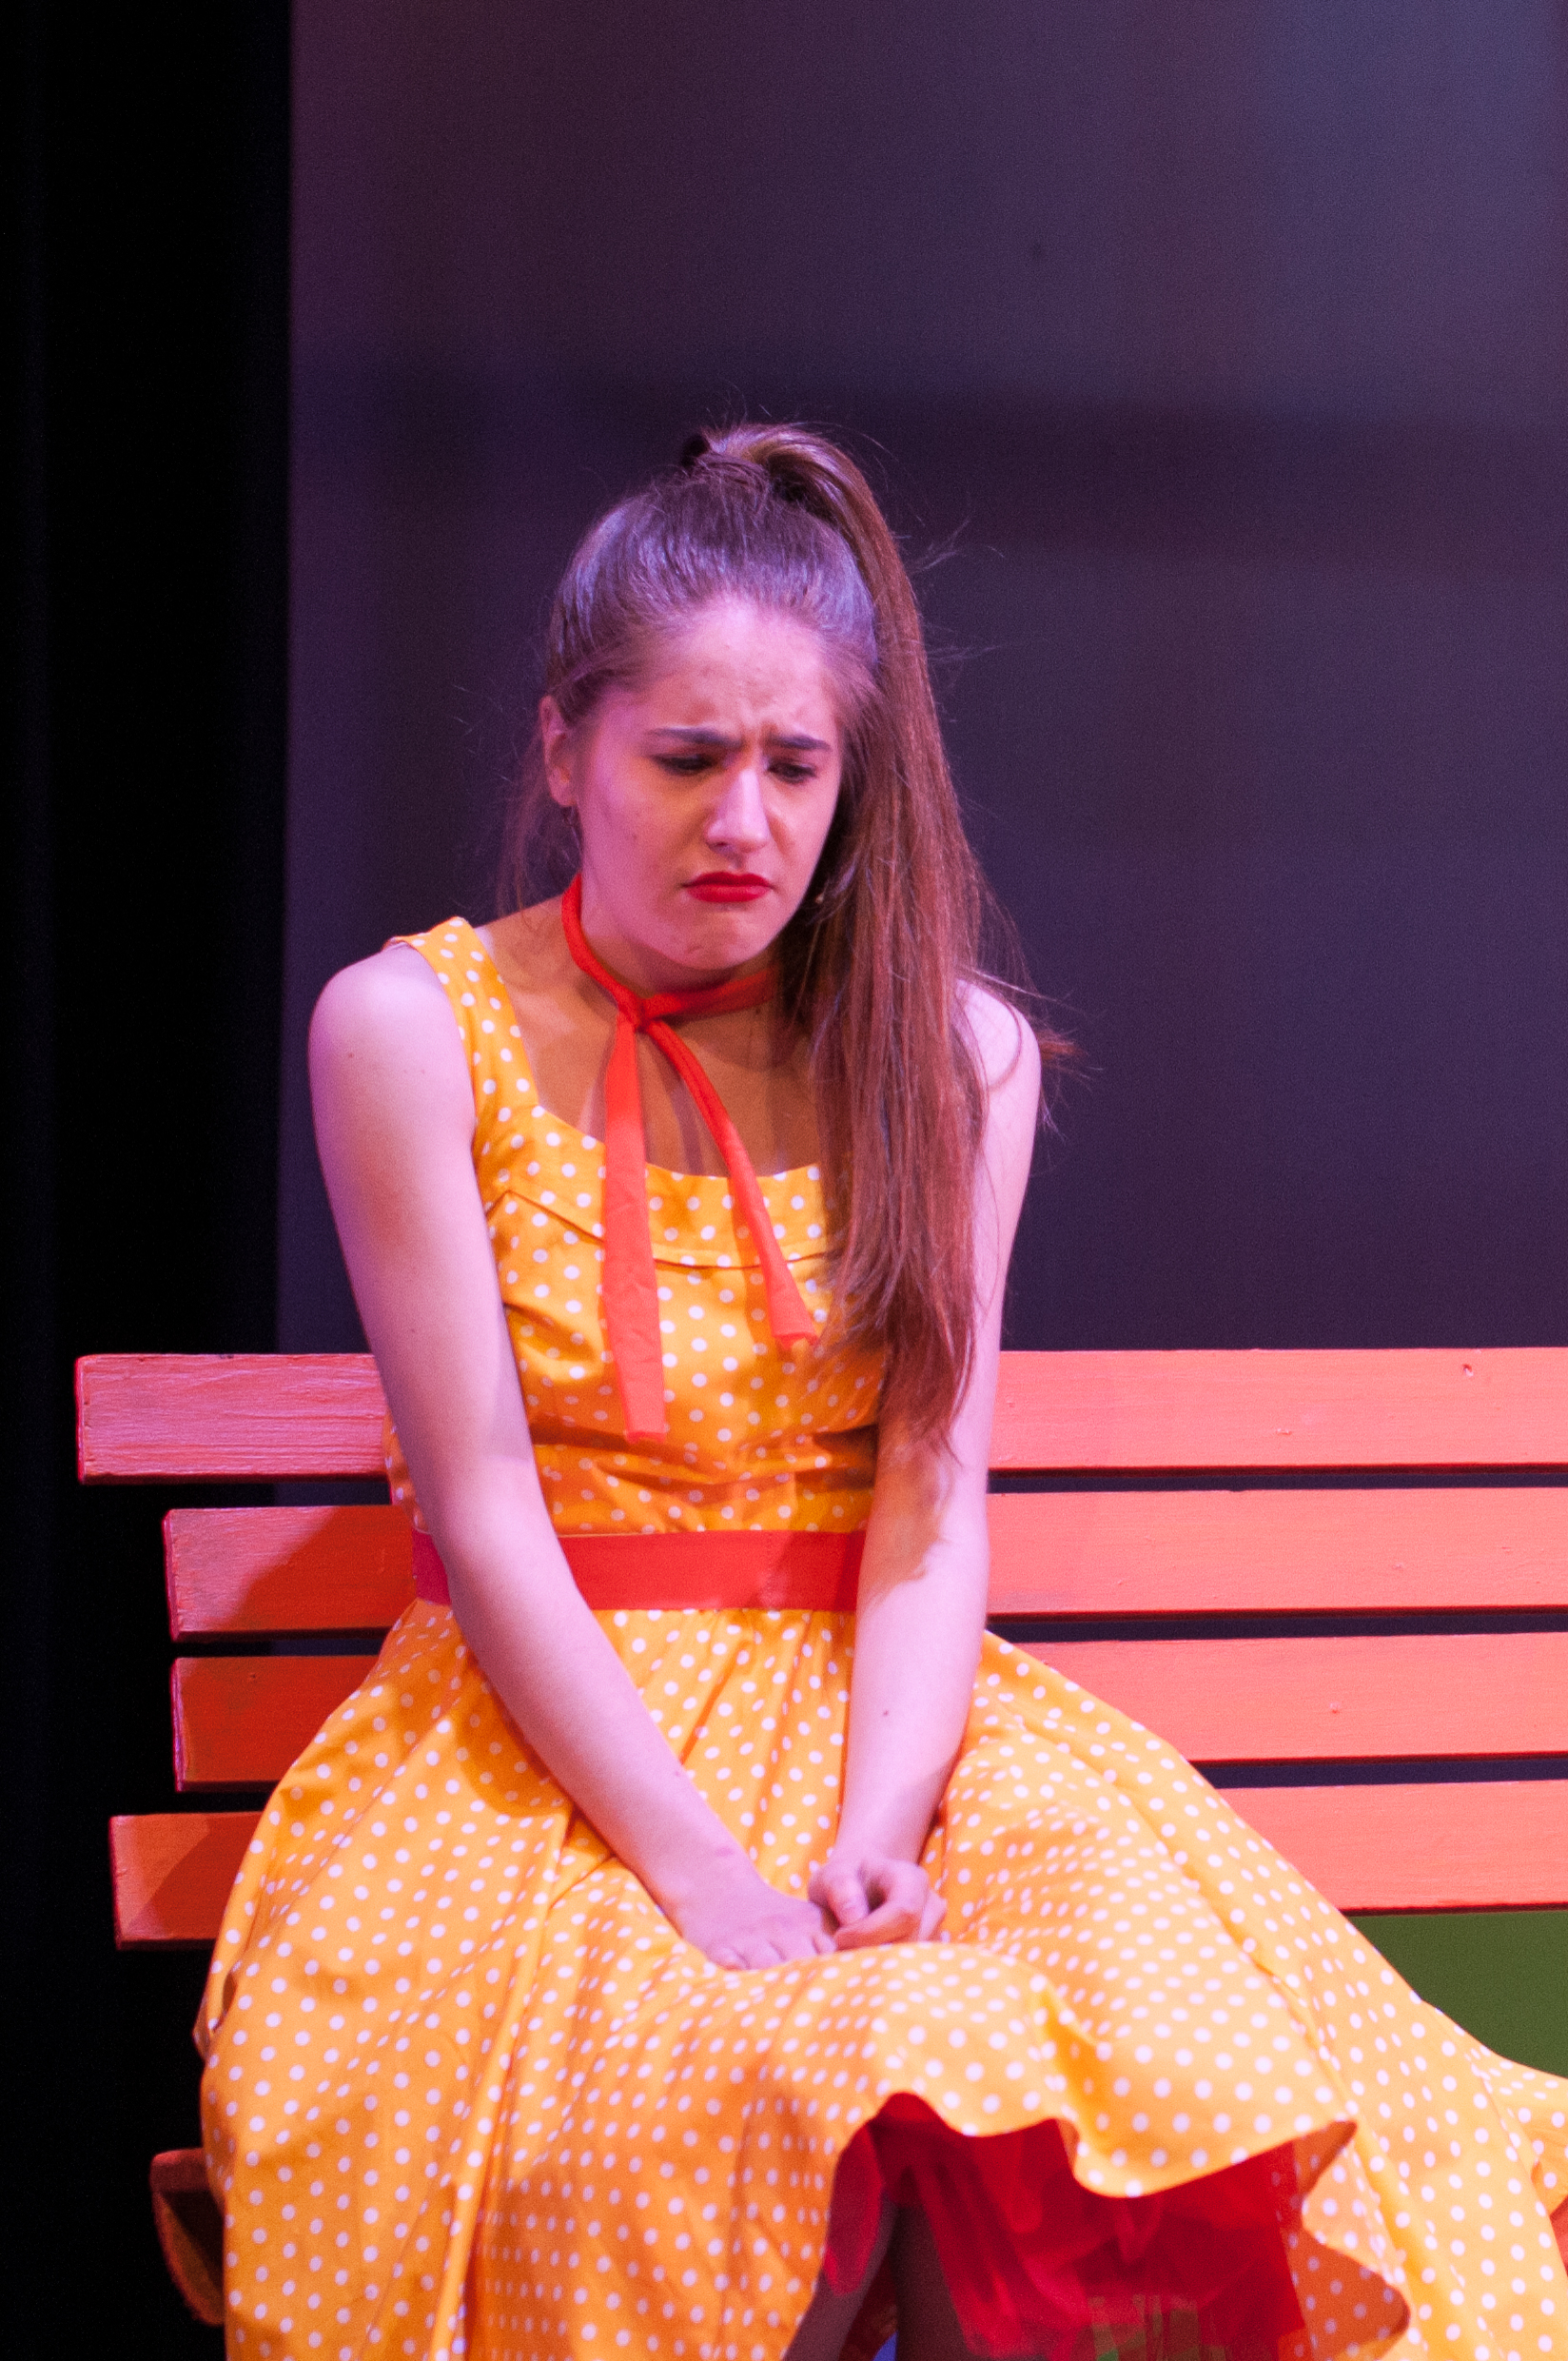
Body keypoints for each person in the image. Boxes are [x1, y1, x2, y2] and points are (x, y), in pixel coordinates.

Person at [200, 425, 1568, 2361]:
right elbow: (486, 1510)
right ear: (564, 749)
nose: (743, 818)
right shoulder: (413, 1028)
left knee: (1101, 2012)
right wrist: (707, 1872)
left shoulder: (949, 1057)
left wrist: (883, 1828)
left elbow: (930, 1491)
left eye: (795, 765)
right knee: (720, 2079)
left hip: (884, 1716)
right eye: (686, 757)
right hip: (556, 1738)